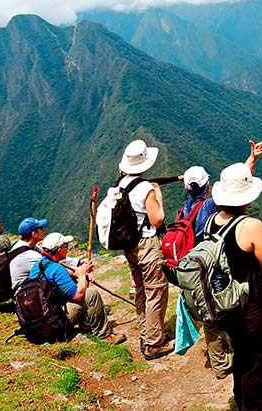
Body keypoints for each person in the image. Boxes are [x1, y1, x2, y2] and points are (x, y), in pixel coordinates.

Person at [180, 140, 262, 379]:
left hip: (196, 269)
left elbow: (232, 187)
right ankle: (245, 359)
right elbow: (235, 192)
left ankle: (220, 364)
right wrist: (251, 162)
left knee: (210, 318)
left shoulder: (187, 209)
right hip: (215, 270)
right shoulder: (209, 207)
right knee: (226, 314)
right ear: (208, 187)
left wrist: (252, 160)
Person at [209, 162, 262, 411]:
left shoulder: (211, 222)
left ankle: (241, 401)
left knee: (242, 355)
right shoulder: (250, 225)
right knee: (258, 361)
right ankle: (255, 407)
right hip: (253, 306)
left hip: (226, 306)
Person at [117, 139, 172, 360]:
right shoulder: (146, 189)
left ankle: (146, 333)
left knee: (141, 289)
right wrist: (158, 195)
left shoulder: (120, 185)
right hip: (147, 245)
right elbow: (157, 220)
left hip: (129, 246)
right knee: (156, 291)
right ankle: (154, 343)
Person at [27, 231, 126, 344]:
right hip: (55, 323)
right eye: (66, 246)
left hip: (41, 319)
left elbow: (57, 275)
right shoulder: (57, 270)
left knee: (74, 283)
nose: (68, 249)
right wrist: (82, 275)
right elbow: (78, 296)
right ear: (59, 250)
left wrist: (77, 274)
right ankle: (104, 335)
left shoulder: (38, 265)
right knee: (91, 294)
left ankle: (85, 323)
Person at [10, 217, 85, 291]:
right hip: (27, 294)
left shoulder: (26, 245)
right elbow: (53, 268)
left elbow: (50, 256)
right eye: (41, 228)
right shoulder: (29, 255)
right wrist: (80, 273)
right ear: (34, 234)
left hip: (33, 286)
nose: (44, 230)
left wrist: (79, 261)